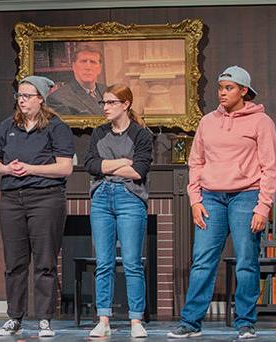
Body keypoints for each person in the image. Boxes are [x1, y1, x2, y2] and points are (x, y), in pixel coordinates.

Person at [168, 66, 276, 339]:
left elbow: (270, 167)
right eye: (220, 88)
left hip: (246, 195)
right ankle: (191, 323)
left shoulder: (261, 121)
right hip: (210, 197)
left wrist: (263, 206)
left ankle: (245, 323)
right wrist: (195, 200)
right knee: (203, 260)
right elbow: (195, 162)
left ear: (243, 91)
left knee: (246, 261)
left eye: (228, 88)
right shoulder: (207, 122)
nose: (222, 93)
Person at [0, 75, 74, 338]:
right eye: (19, 96)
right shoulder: (7, 126)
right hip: (13, 200)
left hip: (45, 198)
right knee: (14, 262)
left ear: (41, 99)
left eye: (27, 96)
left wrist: (30, 169)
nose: (21, 101)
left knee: (44, 262)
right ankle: (14, 318)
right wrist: (7, 168)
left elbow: (65, 167)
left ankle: (45, 320)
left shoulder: (56, 128)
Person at [83, 84, 153, 338]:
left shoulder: (140, 134)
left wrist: (106, 166)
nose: (105, 108)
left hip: (130, 198)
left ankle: (136, 320)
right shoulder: (98, 133)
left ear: (125, 104)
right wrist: (122, 162)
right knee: (104, 263)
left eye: (111, 103)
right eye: (103, 103)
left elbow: (139, 171)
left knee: (133, 263)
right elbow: (90, 165)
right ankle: (104, 319)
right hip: (101, 197)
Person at [47, 43, 106, 115]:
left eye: (93, 62)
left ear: (99, 68)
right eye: (83, 61)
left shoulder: (108, 91)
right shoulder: (58, 99)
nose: (88, 67)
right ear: (74, 66)